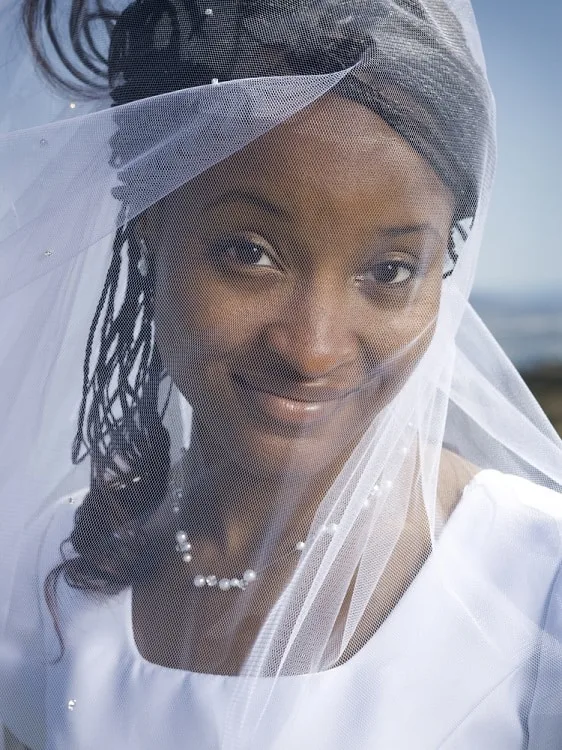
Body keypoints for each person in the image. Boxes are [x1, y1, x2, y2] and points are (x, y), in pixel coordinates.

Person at [1, 0, 561, 748]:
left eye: (391, 269)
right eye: (248, 251)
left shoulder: (538, 582)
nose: (313, 349)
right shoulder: (45, 568)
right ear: (150, 223)